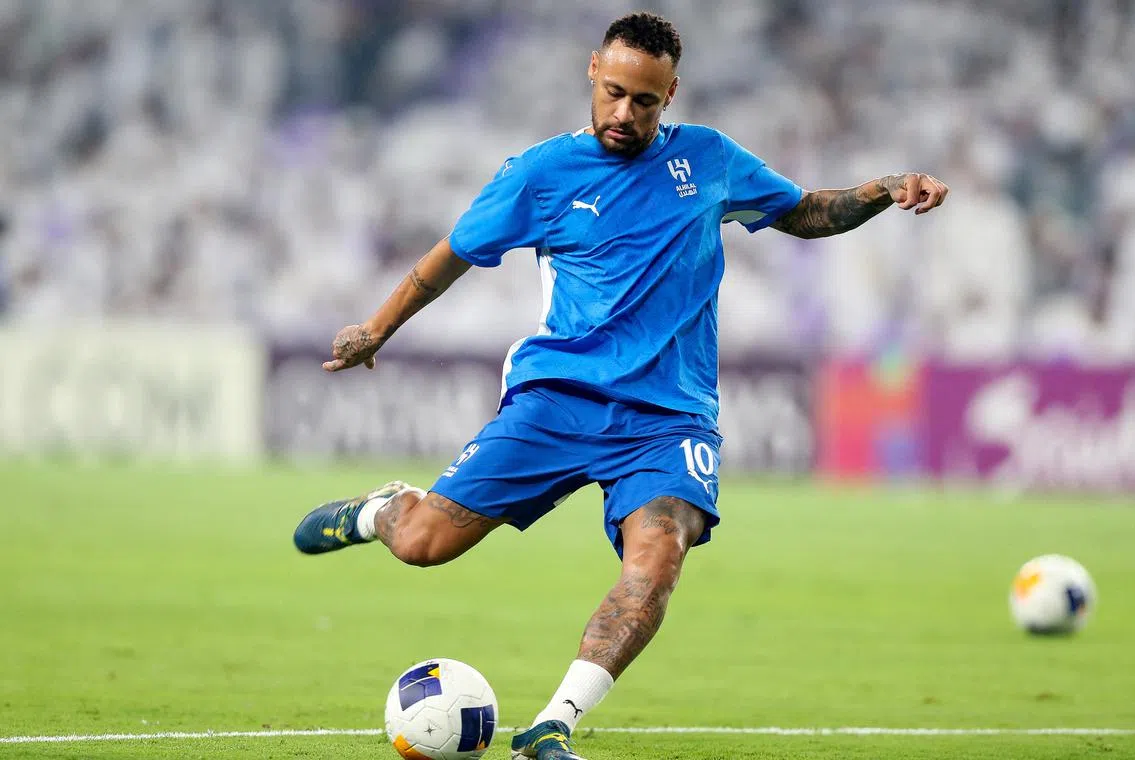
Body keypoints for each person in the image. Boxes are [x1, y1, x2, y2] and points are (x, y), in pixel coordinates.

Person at [292, 12, 949, 760]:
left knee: (660, 552)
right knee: (422, 544)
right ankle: (383, 510)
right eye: (613, 93)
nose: (624, 114)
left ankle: (552, 724)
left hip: (669, 420)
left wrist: (882, 188)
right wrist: (375, 329)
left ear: (671, 94)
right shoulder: (540, 174)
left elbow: (803, 212)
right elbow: (451, 256)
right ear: (592, 74)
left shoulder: (709, 159)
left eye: (644, 100)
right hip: (559, 400)